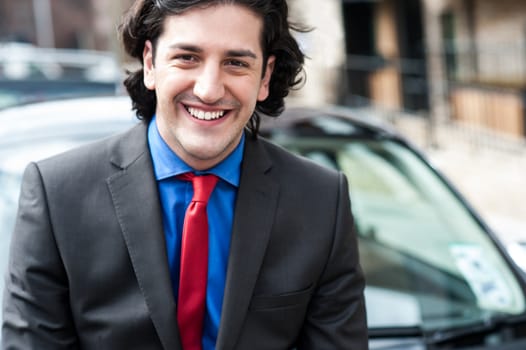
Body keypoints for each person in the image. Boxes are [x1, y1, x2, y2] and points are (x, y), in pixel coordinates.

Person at [2, 0, 368, 349]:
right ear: (150, 63)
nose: (209, 90)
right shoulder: (57, 196)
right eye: (187, 57)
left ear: (265, 77)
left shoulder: (321, 201)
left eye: (236, 63)